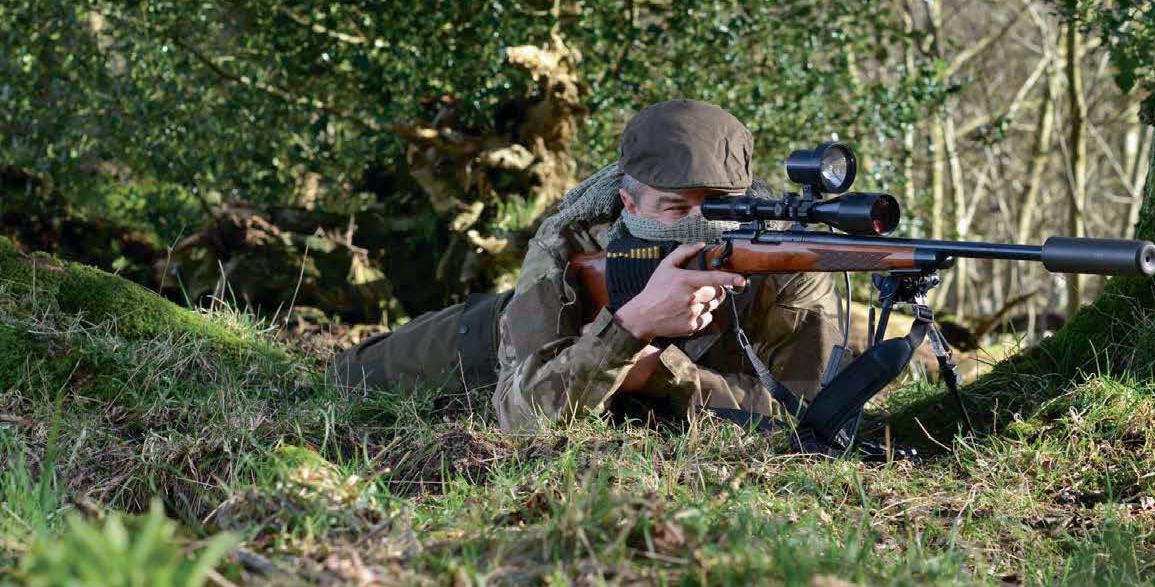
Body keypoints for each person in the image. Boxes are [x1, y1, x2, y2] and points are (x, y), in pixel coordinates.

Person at [331, 99, 840, 430]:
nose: (701, 224)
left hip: (623, 388)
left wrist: (658, 374)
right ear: (629, 203)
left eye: (721, 205)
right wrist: (632, 327)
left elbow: (807, 420)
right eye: (677, 208)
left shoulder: (788, 261)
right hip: (494, 349)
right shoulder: (571, 238)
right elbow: (520, 416)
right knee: (348, 380)